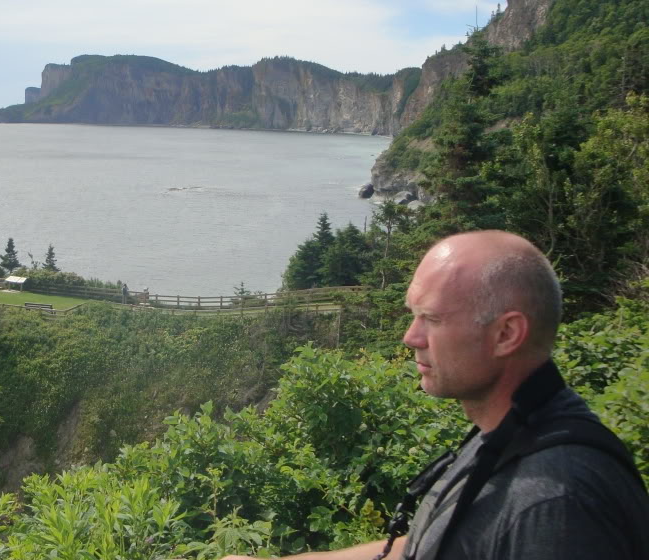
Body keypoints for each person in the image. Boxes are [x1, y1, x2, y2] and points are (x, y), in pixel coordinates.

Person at [222, 230, 649, 560]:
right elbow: (435, 545)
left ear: (506, 334)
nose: (410, 338)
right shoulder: (510, 436)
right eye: (414, 315)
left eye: (432, 319)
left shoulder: (557, 507)